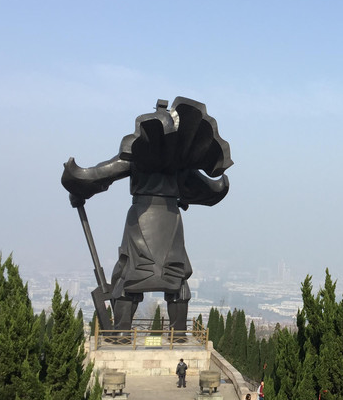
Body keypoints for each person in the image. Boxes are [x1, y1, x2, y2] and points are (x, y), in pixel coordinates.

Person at [61, 97, 232, 335]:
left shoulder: (137, 156)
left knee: (130, 276)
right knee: (176, 278)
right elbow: (209, 190)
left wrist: (78, 186)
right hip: (170, 219)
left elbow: (100, 174)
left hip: (142, 216)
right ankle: (179, 333)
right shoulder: (180, 164)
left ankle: (121, 332)